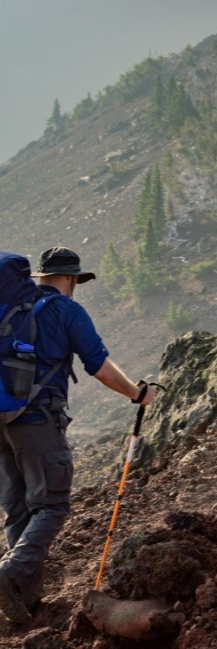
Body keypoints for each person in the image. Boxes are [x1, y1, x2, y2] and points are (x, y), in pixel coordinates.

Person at [0, 246, 157, 624]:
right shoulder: (66, 310)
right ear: (72, 279)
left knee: (18, 508)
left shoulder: (9, 310)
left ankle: (25, 605)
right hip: (38, 422)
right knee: (51, 505)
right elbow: (99, 367)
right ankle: (7, 576)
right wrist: (138, 394)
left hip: (1, 421)